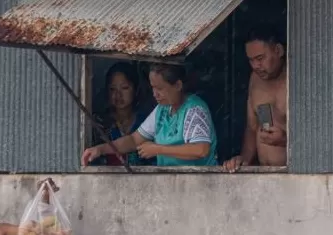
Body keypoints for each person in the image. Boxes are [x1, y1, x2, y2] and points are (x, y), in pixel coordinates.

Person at [81, 64, 218, 168]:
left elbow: (201, 149)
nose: (155, 94)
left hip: (199, 186)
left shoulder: (195, 110)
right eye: (153, 88)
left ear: (177, 85)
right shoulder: (162, 110)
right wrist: (101, 149)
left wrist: (158, 149)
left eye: (160, 88)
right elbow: (134, 140)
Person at [223, 27, 288, 172]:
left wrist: (286, 140)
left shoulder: (297, 78)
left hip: (297, 176)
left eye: (260, 58)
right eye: (251, 60)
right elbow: (252, 128)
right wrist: (244, 159)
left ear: (278, 51)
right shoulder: (255, 78)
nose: (255, 66)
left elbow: (320, 136)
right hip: (262, 173)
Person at [94, 62, 155, 167]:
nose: (118, 95)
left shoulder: (146, 122)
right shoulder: (99, 122)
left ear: (135, 89)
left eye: (125, 88)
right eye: (112, 89)